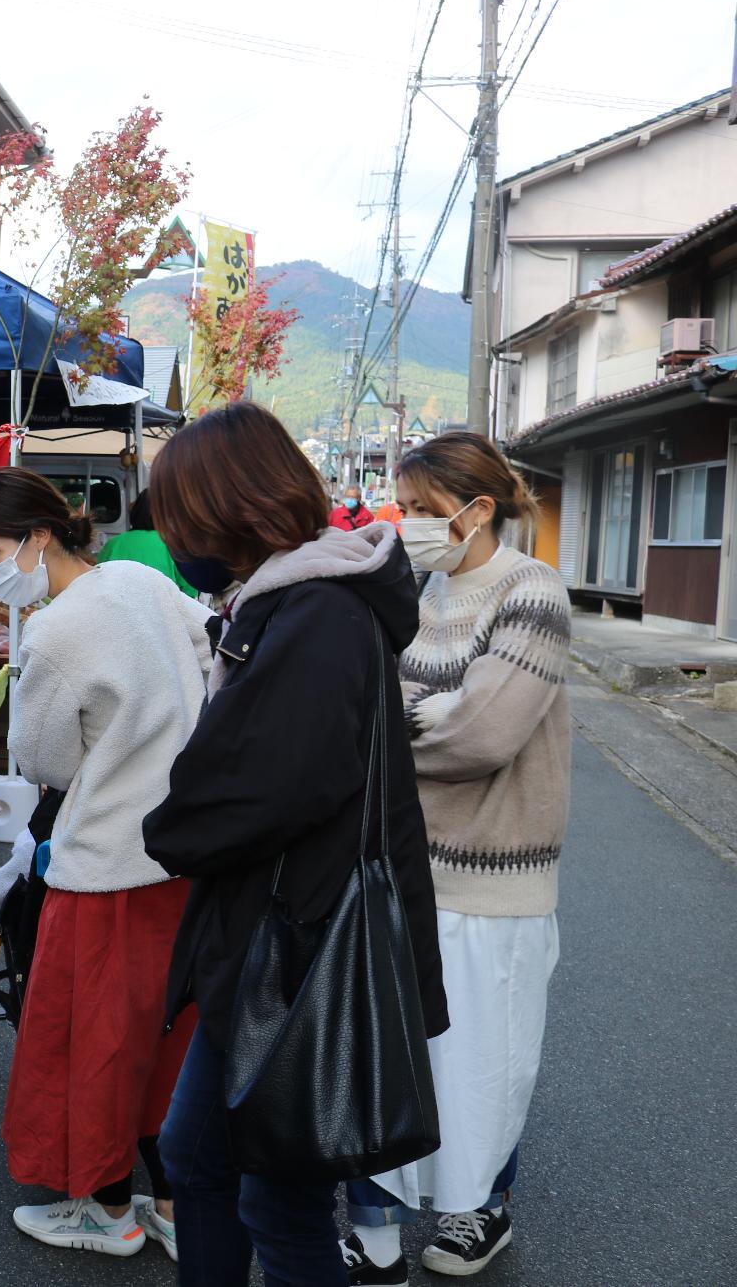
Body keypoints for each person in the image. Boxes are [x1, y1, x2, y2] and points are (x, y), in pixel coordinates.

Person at [141, 402, 448, 1286]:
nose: (174, 537)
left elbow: (262, 784)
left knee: (279, 1205)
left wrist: (173, 824)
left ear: (225, 510)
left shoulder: (315, 616)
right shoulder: (306, 603)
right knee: (210, 1164)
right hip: (279, 941)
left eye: (178, 516)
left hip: (300, 955)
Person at [0, 467, 211, 1263]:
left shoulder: (55, 631)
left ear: (37, 536)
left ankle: (105, 1208)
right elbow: (210, 652)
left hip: (101, 863)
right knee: (169, 1035)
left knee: (92, 1042)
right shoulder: (141, 579)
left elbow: (40, 757)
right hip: (183, 855)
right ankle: (171, 1200)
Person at [340, 433, 570, 1284]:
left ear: (477, 511)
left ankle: (482, 1210)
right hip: (402, 868)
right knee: (388, 1060)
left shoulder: (531, 592)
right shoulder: (421, 588)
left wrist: (400, 722)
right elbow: (370, 698)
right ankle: (374, 1230)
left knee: (482, 1066)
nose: (411, 526)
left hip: (494, 877)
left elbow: (485, 733)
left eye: (426, 511)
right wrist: (424, 710)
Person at [95, 492, 192, 594]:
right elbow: (189, 591)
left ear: (135, 512)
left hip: (118, 607)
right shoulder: (174, 545)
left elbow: (98, 582)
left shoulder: (113, 545)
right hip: (162, 608)